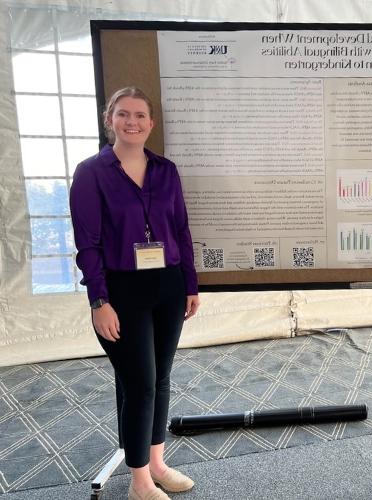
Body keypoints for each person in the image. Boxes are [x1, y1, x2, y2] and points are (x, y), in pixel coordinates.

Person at [70, 86, 200, 500]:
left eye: (140, 115)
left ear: (151, 124)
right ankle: (139, 480)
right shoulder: (91, 172)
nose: (132, 122)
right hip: (121, 289)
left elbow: (180, 228)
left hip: (168, 283)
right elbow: (87, 244)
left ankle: (157, 463)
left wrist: (190, 284)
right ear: (110, 120)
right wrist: (99, 301)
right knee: (138, 383)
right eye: (123, 114)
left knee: (160, 378)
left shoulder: (166, 170)